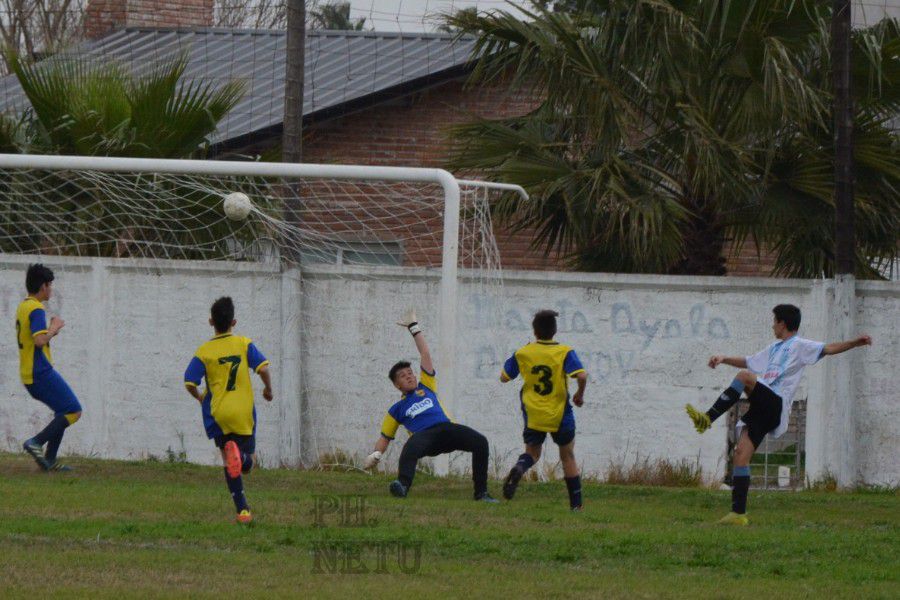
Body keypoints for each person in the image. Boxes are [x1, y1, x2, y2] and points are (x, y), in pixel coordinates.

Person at [685, 304, 872, 525]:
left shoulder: (800, 345)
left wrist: (855, 343)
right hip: (763, 407)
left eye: (774, 321)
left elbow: (828, 348)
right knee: (740, 455)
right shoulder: (774, 348)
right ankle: (738, 514)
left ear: (783, 323)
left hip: (776, 402)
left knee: (745, 377)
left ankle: (707, 418)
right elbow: (750, 360)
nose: (772, 325)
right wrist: (723, 358)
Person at [364, 309, 497, 502]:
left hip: (446, 429)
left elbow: (425, 353)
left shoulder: (426, 386)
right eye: (403, 375)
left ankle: (481, 493)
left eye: (410, 372)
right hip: (424, 437)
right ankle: (402, 485)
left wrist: (414, 327)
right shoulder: (396, 409)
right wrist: (376, 454)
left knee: (480, 442)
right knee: (409, 447)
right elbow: (385, 437)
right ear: (396, 385)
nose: (409, 376)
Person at [184, 297, 273, 524]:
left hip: (219, 414)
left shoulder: (204, 351)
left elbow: (189, 382)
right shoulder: (243, 344)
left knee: (227, 461)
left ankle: (242, 510)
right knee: (247, 464)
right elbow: (263, 369)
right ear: (234, 321)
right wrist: (268, 390)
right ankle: (241, 457)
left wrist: (200, 397)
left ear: (210, 322)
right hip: (243, 411)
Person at [500, 309, 587, 510]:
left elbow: (504, 377)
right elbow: (581, 376)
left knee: (532, 453)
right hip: (559, 414)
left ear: (535, 331)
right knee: (567, 456)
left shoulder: (524, 352)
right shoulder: (564, 352)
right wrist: (579, 395)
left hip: (533, 414)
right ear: (554, 331)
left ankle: (519, 468)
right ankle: (576, 505)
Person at [17, 263, 82, 472]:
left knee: (62, 410)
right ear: (43, 286)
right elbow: (39, 341)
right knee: (73, 410)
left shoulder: (23, 305)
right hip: (40, 372)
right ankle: (36, 442)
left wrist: (49, 330)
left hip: (30, 372)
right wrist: (53, 328)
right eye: (50, 285)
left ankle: (50, 460)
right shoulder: (36, 308)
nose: (51, 289)